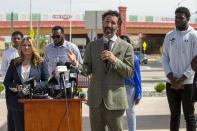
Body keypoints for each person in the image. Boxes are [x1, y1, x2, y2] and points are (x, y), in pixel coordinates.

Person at [68, 10, 134, 131]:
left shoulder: (126, 47)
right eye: (107, 22)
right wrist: (76, 63)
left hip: (115, 102)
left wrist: (115, 60)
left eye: (113, 23)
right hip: (95, 101)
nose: (109, 25)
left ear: (118, 26)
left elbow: (129, 72)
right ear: (102, 23)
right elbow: (86, 70)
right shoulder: (92, 46)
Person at [162, 7, 197, 131]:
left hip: (188, 84)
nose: (177, 20)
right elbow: (165, 58)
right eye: (176, 17)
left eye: (181, 18)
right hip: (171, 83)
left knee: (189, 116)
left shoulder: (194, 36)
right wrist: (172, 79)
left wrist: (181, 80)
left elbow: (195, 62)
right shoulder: (169, 36)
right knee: (174, 116)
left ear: (187, 18)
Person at [3, 37, 49, 131]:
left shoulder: (41, 62)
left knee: (35, 127)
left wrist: (35, 86)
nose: (26, 47)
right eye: (24, 45)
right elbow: (6, 81)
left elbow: (46, 82)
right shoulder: (14, 62)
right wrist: (16, 87)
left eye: (29, 45)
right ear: (21, 47)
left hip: (35, 102)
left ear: (33, 47)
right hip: (17, 103)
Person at [120, 35, 142, 131]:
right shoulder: (114, 58)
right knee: (116, 114)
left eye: (126, 43)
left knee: (130, 113)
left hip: (129, 88)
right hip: (117, 88)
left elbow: (138, 77)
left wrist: (138, 94)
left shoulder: (134, 58)